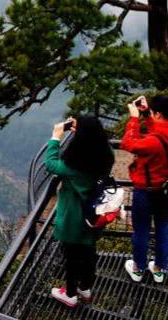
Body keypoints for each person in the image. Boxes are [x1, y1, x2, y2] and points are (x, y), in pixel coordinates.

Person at [43, 114, 114, 307]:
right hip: (95, 213)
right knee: (89, 250)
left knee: (72, 256)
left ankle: (71, 294)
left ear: (81, 139)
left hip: (74, 216)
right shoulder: (106, 155)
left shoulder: (75, 165)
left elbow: (50, 163)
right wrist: (81, 129)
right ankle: (86, 287)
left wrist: (56, 137)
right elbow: (93, 141)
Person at [120, 94, 168, 284]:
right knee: (163, 227)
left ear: (159, 114)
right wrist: (148, 116)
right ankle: (159, 269)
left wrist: (134, 118)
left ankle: (139, 268)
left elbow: (129, 143)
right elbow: (161, 132)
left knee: (141, 230)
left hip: (145, 189)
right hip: (165, 189)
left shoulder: (153, 142)